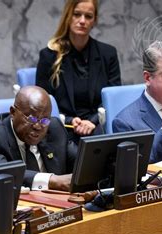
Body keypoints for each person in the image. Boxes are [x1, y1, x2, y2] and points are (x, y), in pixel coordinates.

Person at [36, 0, 121, 142]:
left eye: (88, 16)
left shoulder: (108, 54)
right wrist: (69, 120)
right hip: (61, 128)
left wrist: (93, 121)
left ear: (94, 20)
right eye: (77, 14)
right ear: (68, 16)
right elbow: (43, 103)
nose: (82, 21)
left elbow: (113, 98)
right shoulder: (49, 56)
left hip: (97, 126)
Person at [0, 86, 77, 191]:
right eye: (32, 119)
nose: (38, 126)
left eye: (44, 120)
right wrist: (53, 180)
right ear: (13, 112)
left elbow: (79, 161)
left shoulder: (54, 128)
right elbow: (4, 174)